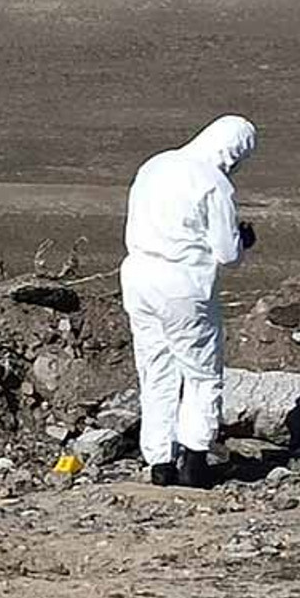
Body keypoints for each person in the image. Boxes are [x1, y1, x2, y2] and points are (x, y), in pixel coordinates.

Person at [120, 115, 258, 488]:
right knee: (200, 374)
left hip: (138, 277)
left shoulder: (155, 165)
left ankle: (160, 461)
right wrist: (244, 240)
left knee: (155, 369)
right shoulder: (214, 183)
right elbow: (227, 253)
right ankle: (195, 460)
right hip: (182, 285)